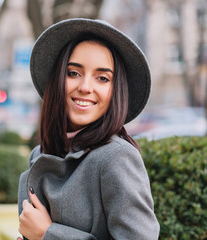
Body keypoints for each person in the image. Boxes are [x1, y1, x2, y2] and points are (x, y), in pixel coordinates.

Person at [17, 18, 160, 240]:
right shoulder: (41, 154)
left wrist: (47, 234)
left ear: (115, 91)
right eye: (73, 73)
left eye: (102, 78)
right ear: (57, 80)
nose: (85, 87)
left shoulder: (116, 158)